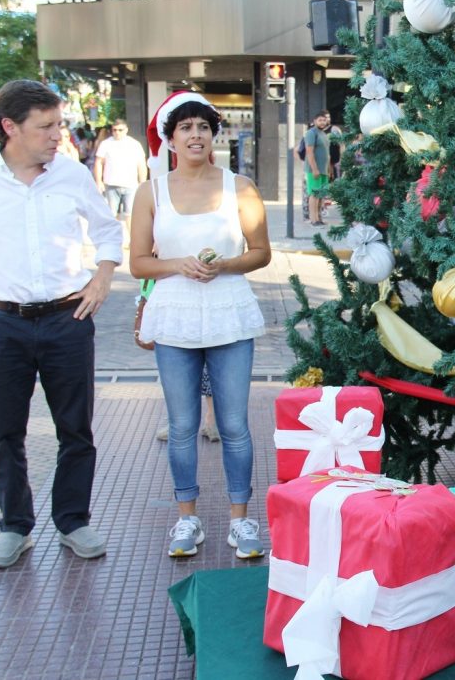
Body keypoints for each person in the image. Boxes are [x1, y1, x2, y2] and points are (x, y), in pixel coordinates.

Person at [0, 80, 122, 568]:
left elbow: (107, 230)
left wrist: (102, 277)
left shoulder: (71, 174)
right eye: (46, 126)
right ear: (9, 127)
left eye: (58, 124)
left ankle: (72, 521)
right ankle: (14, 527)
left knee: (76, 429)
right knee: (5, 431)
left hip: (68, 318)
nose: (57, 136)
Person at [129, 91, 271, 560]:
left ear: (214, 136)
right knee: (183, 424)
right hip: (174, 318)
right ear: (170, 139)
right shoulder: (150, 192)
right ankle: (186, 518)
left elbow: (260, 251)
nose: (195, 135)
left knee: (234, 423)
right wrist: (177, 265)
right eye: (185, 128)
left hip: (229, 313)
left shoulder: (240, 186)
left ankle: (240, 520)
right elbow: (139, 263)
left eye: (203, 127)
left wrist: (225, 264)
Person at [94, 118, 147, 229]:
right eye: (115, 130)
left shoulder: (134, 144)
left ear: (126, 130)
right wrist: (98, 181)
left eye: (120, 130)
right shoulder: (106, 143)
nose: (117, 132)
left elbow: (141, 164)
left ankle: (132, 241)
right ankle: (114, 240)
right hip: (111, 184)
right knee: (111, 215)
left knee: (131, 214)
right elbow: (99, 162)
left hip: (130, 184)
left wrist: (142, 182)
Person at [304, 110, 331, 227]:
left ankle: (319, 218)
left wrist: (329, 169)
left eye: (324, 120)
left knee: (321, 196)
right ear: (314, 121)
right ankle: (313, 219)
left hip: (324, 170)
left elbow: (327, 154)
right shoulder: (311, 133)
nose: (322, 122)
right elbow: (309, 152)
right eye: (320, 120)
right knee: (314, 194)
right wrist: (314, 169)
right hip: (314, 170)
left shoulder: (324, 135)